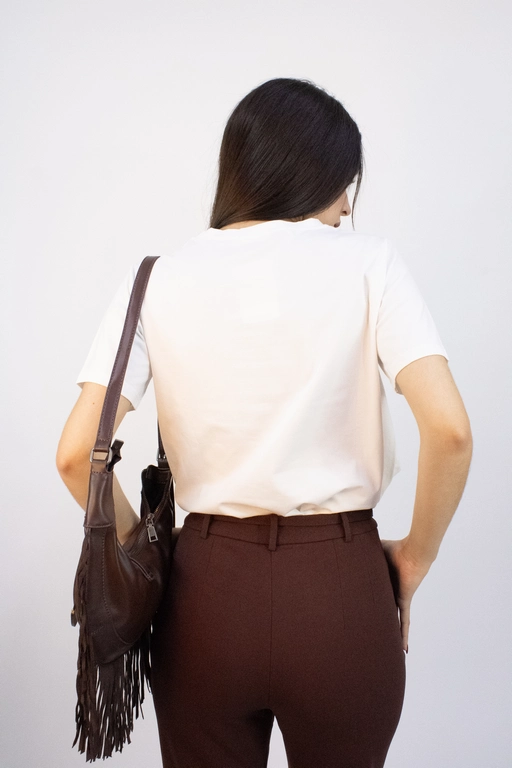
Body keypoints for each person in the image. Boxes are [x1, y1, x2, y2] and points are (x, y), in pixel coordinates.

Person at [56, 77, 473, 768]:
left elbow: (76, 454)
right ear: (318, 171)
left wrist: (141, 544)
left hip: (203, 597)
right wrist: (416, 556)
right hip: (339, 593)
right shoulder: (371, 264)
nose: (347, 206)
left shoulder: (158, 278)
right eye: (347, 185)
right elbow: (451, 430)